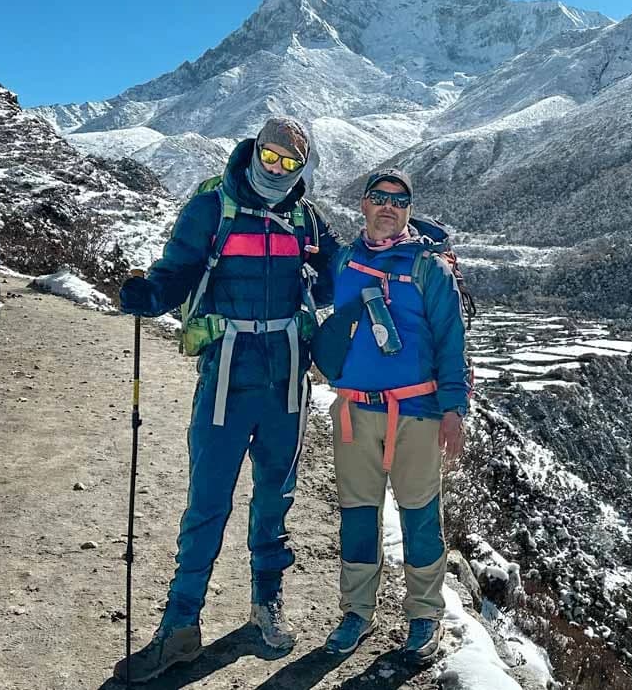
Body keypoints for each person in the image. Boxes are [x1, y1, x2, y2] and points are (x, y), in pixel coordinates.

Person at [114, 116, 340, 683]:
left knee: (275, 498)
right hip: (226, 377)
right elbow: (176, 271)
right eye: (271, 157)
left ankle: (266, 604)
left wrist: (406, 259)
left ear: (301, 168)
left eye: (290, 163)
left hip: (286, 380)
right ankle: (180, 626)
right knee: (208, 502)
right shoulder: (212, 207)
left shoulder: (305, 217)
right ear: (254, 150)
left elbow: (341, 274)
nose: (277, 169)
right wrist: (150, 294)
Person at [321, 168, 469, 662]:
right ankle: (356, 611)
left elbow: (451, 342)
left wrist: (454, 410)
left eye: (400, 201)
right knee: (357, 514)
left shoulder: (430, 268)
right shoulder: (344, 261)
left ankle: (424, 614)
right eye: (380, 197)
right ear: (363, 204)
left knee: (421, 515)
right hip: (354, 410)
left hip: (417, 411)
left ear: (409, 210)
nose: (389, 206)